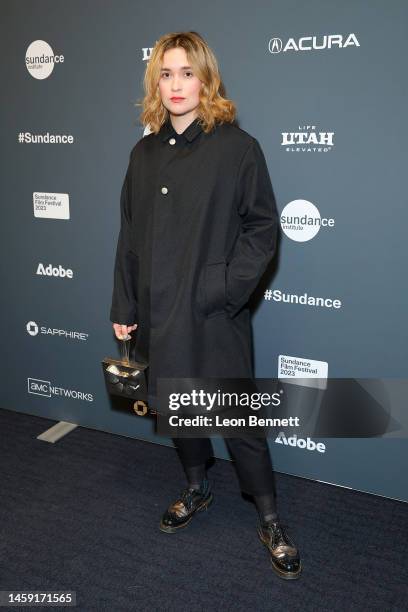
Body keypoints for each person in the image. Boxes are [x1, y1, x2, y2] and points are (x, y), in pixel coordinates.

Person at [110, 31, 302, 580]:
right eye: (166, 74)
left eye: (187, 73)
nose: (176, 85)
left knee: (238, 419)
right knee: (176, 408)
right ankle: (196, 486)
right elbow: (128, 237)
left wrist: (223, 290)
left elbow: (263, 229)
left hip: (215, 315)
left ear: (206, 80)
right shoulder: (142, 154)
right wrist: (125, 302)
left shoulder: (237, 148)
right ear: (155, 82)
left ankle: (269, 516)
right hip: (158, 311)